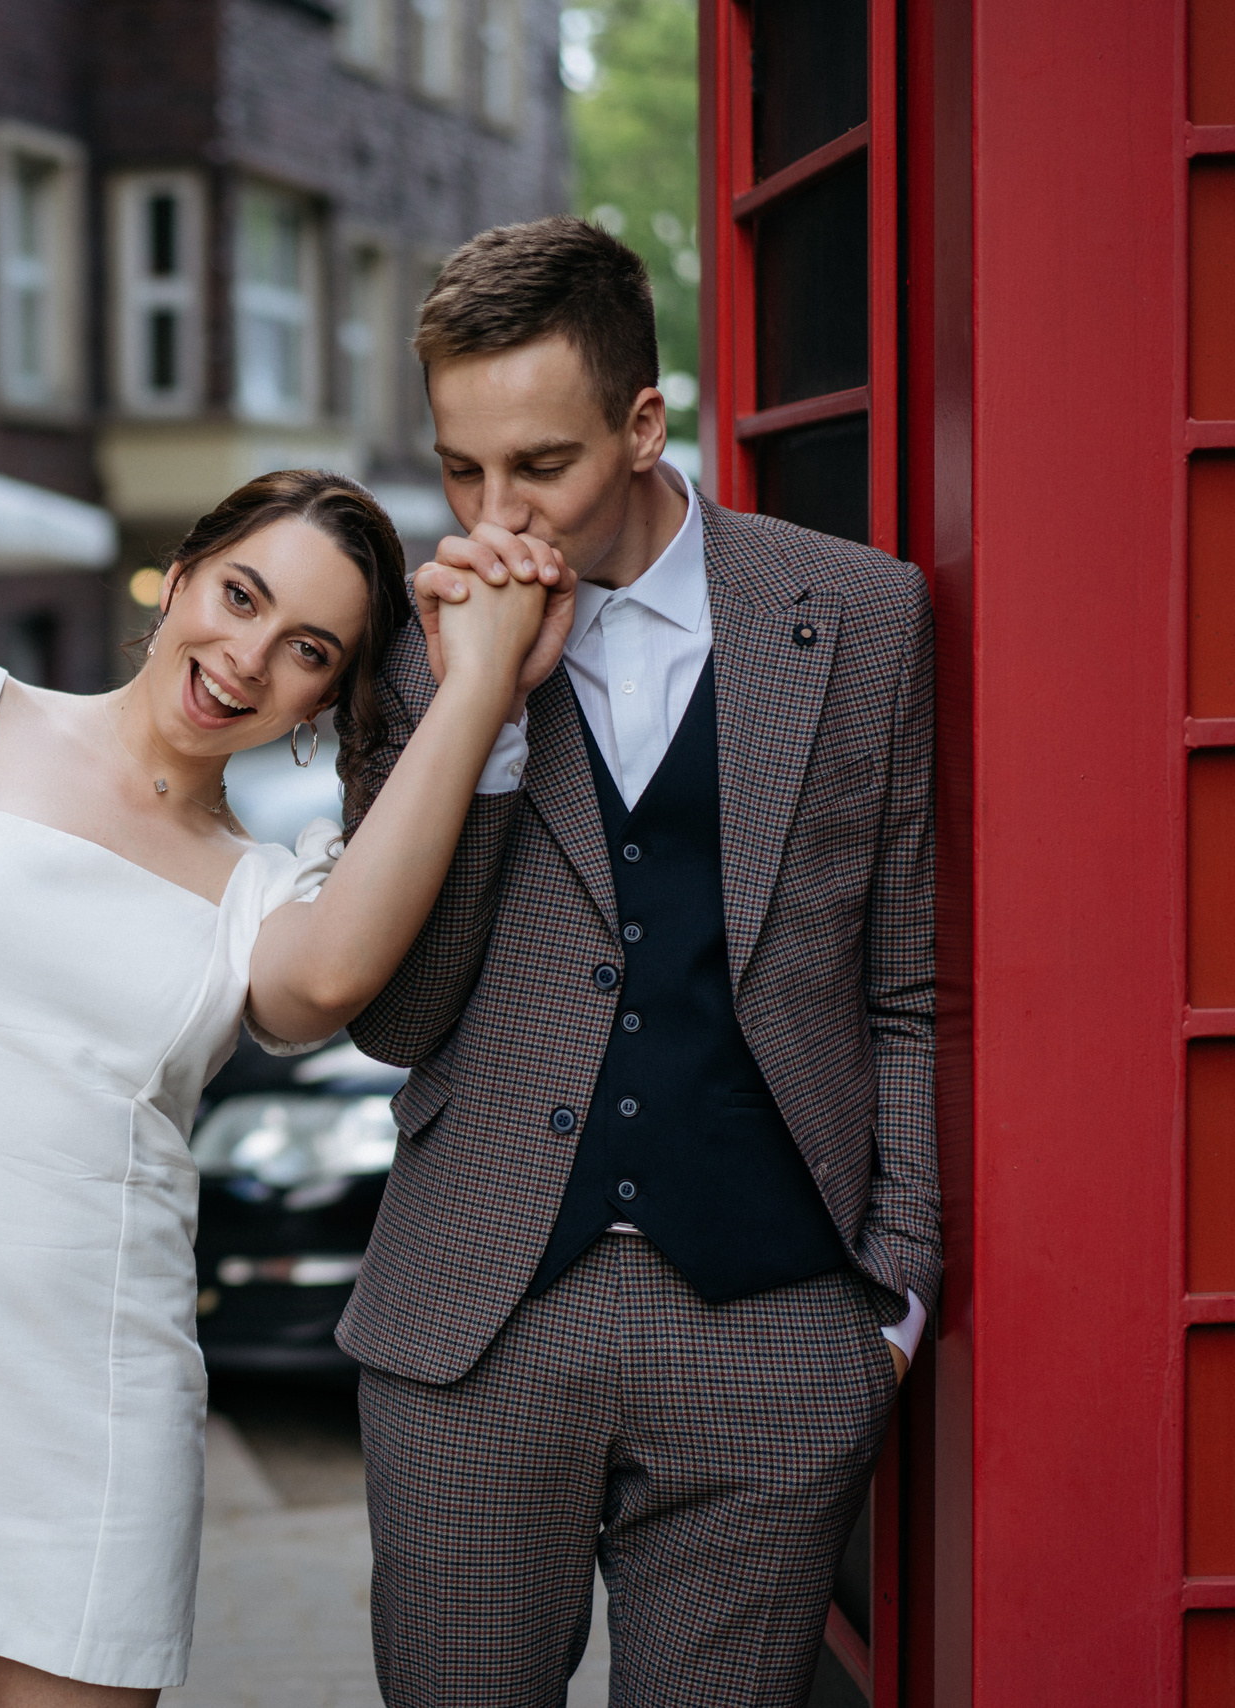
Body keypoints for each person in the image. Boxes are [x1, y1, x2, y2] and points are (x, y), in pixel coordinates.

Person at [0, 469, 564, 1707]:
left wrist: (478, 685)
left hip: (95, 1397)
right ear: (177, 575)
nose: (244, 657)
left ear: (325, 697)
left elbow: (333, 978)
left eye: (305, 651)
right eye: (238, 595)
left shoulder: (265, 890)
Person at [337, 215, 939, 1707]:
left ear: (644, 422)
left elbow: (912, 986)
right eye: (458, 467)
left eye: (539, 465)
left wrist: (894, 1302)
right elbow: (397, 1018)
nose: (496, 514)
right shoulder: (417, 653)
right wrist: (478, 717)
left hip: (775, 1332)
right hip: (474, 1333)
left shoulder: (860, 615)